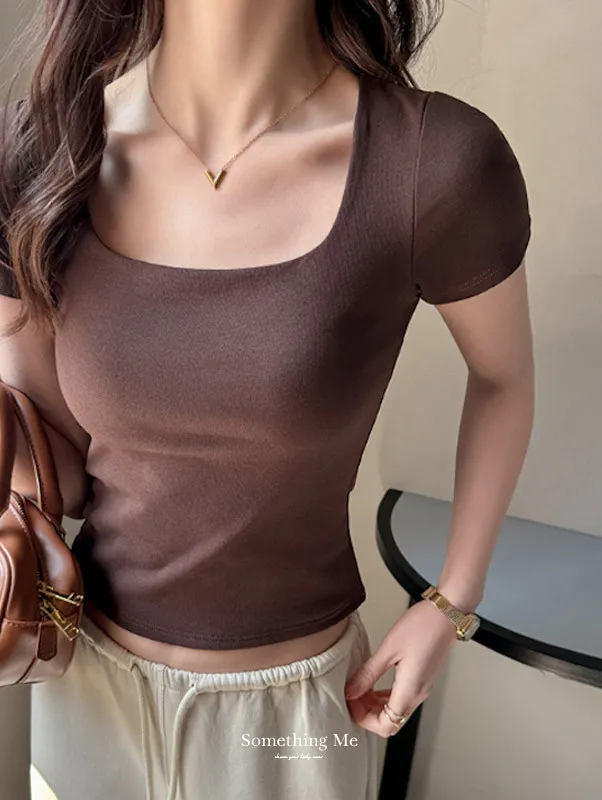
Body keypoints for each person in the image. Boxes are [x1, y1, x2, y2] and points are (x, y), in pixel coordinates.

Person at [0, 0, 535, 798]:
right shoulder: (44, 152)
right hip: (82, 694)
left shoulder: (432, 162)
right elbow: (46, 456)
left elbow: (504, 378)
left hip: (290, 717)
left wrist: (454, 599)